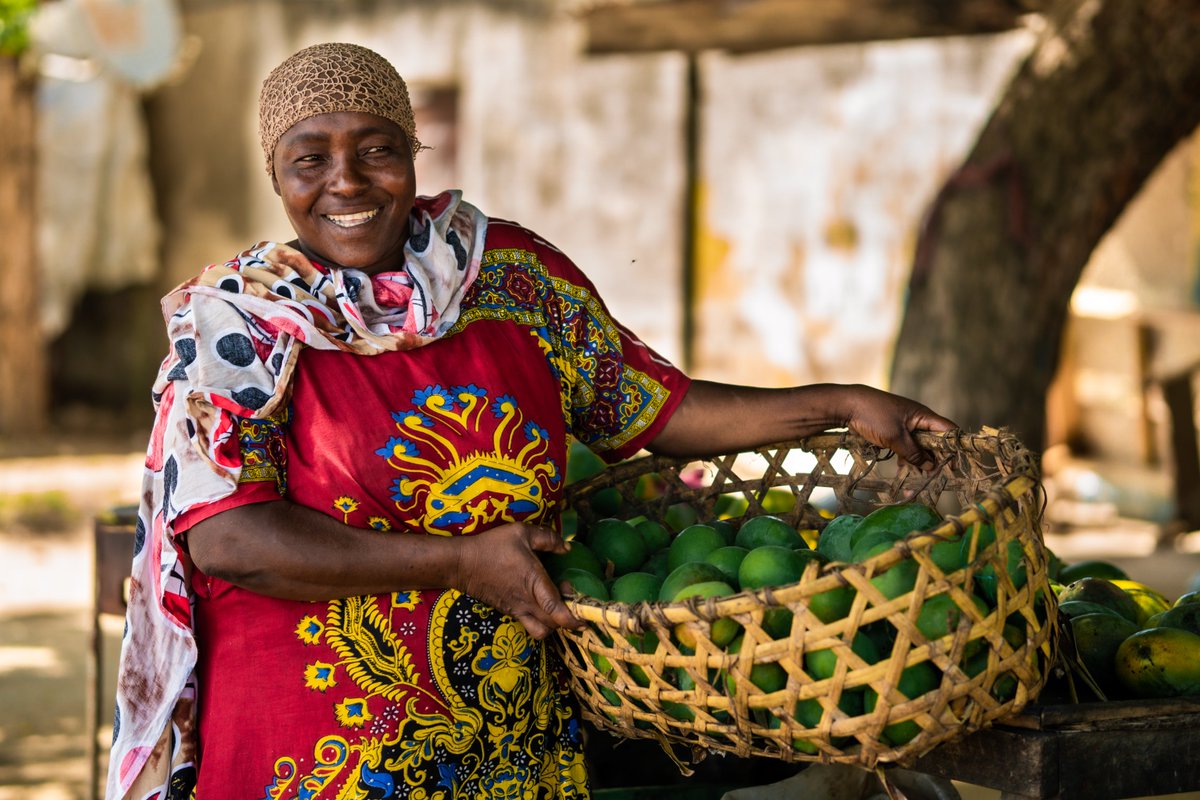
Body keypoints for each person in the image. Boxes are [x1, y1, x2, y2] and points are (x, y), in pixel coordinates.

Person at [107, 42, 956, 800]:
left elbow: (653, 405)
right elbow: (230, 539)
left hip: (510, 732)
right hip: (321, 752)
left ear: (414, 155)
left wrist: (839, 404)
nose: (348, 182)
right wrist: (461, 565)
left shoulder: (509, 277)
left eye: (377, 149)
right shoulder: (238, 325)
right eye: (310, 159)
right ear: (275, 176)